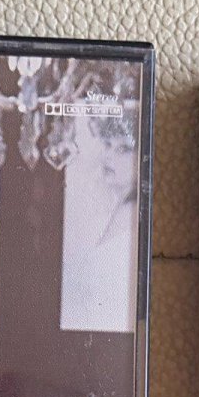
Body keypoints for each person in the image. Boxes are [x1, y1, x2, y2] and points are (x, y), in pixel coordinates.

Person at [61, 112, 139, 332]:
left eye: (123, 149)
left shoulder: (138, 216)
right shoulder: (103, 209)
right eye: (107, 145)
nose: (108, 157)